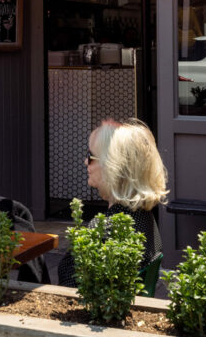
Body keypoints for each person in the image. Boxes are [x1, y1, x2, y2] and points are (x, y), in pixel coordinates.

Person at [58, 117, 167, 288]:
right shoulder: (144, 220)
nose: (85, 162)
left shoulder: (104, 231)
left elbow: (71, 291)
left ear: (112, 166)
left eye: (90, 156)